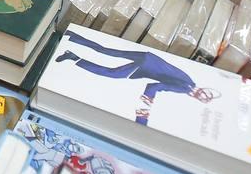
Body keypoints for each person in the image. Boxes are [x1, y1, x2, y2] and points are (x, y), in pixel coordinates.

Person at [55, 29, 218, 126]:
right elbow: (154, 87)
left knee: (106, 51)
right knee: (110, 72)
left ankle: (72, 36)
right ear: (202, 93)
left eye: (203, 98)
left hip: (149, 58)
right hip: (145, 66)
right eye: (204, 96)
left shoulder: (189, 82)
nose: (201, 97)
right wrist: (142, 118)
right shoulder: (185, 87)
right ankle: (73, 56)